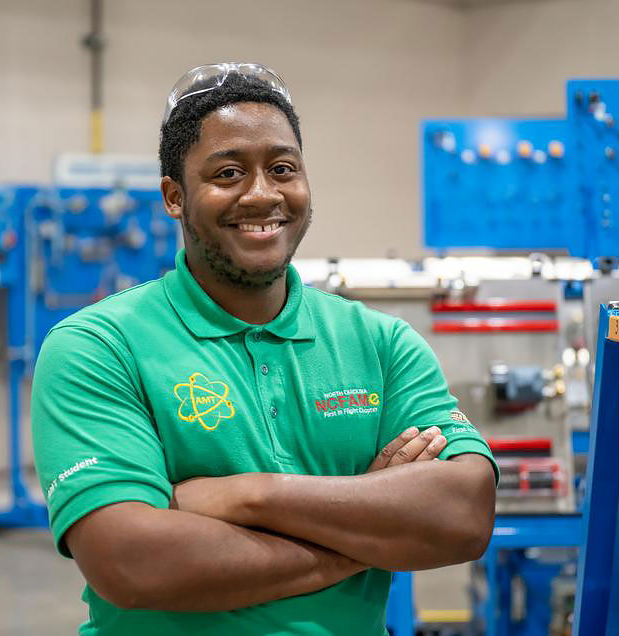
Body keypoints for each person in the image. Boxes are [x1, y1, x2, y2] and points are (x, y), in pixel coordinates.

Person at [31, 62, 497, 636]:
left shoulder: (379, 343)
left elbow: (462, 515)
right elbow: (130, 561)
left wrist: (249, 495)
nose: (262, 194)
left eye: (282, 169)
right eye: (228, 173)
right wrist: (361, 539)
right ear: (175, 197)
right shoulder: (98, 347)